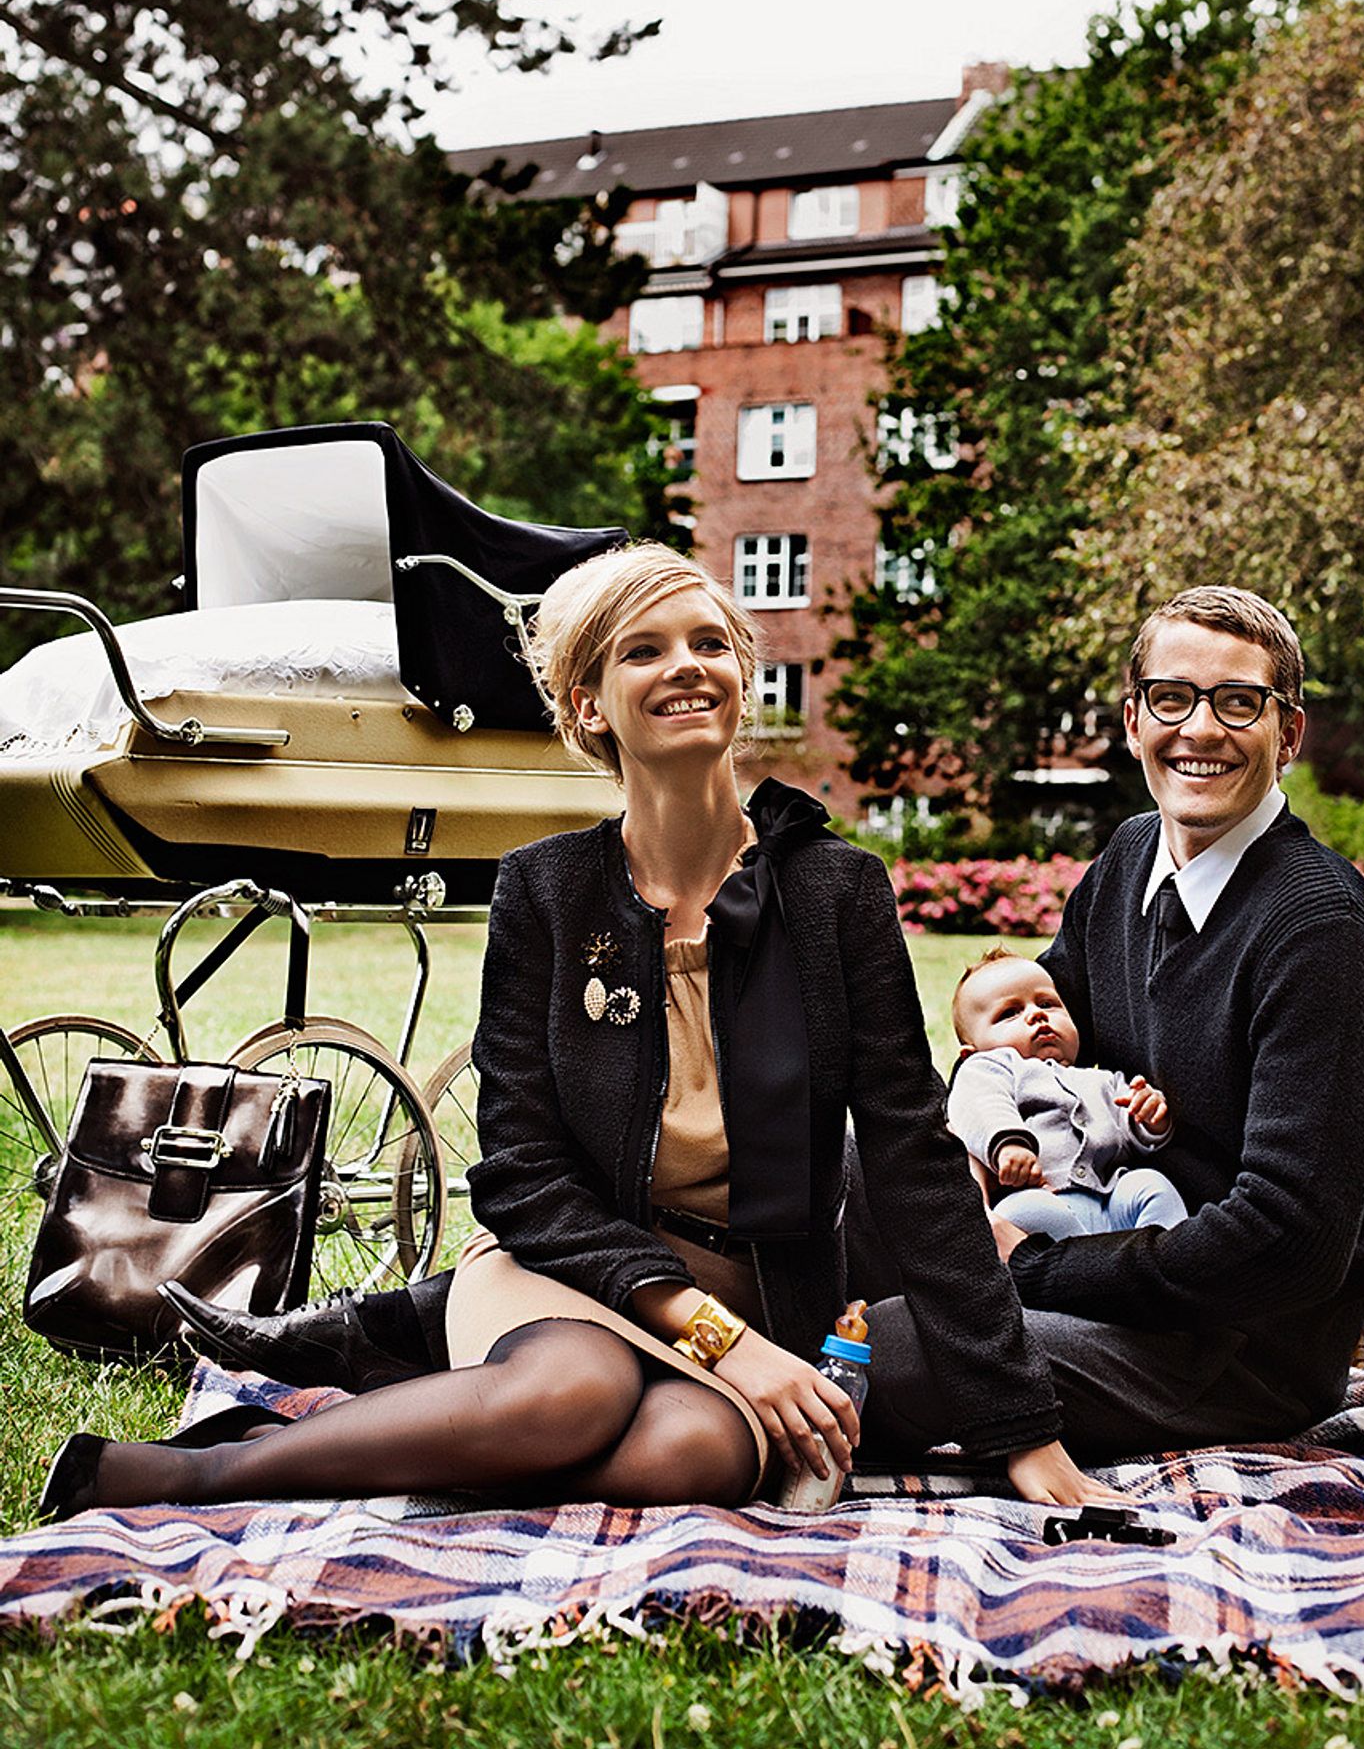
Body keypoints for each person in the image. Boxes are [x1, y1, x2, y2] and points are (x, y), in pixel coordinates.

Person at [41, 543, 1112, 1522]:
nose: (686, 666)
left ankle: (399, 1419)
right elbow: (520, 1175)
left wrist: (1018, 1425)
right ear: (586, 703)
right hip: (569, 1269)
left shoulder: (839, 892)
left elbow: (916, 1163)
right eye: (643, 650)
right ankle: (191, 1473)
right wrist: (711, 1336)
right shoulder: (545, 892)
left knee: (692, 1455)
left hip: (762, 1297)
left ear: (742, 678)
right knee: (574, 1391)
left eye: (709, 643)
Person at [856, 584, 1364, 1461]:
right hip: (1081, 1219)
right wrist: (973, 1145)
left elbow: (1288, 1241)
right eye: (1171, 697)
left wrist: (1030, 1267)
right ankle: (724, 1366)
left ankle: (778, 1400)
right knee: (847, 1165)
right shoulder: (1127, 860)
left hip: (1226, 1347)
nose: (1200, 729)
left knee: (897, 1346)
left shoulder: (1321, 932)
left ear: (1288, 735)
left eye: (1239, 702)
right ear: (1132, 720)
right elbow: (1024, 1040)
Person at [946, 945, 1188, 1241]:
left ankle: (1172, 1260)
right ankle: (1085, 1266)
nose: (1036, 1015)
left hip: (1111, 1200)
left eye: (1047, 1003)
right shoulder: (990, 1068)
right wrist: (1007, 1144)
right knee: (1023, 1211)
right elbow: (980, 1103)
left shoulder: (1103, 1080)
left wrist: (1149, 1117)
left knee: (1151, 1185)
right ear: (971, 1053)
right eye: (1010, 1013)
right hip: (1041, 1198)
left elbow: (1133, 1133)